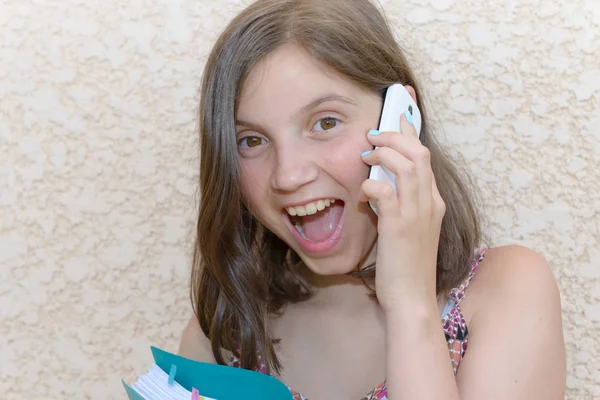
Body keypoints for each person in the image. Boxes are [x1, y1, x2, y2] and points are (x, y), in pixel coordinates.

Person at [178, 0, 566, 398]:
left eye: (326, 122)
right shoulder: (224, 338)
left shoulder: (508, 290)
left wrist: (410, 305)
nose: (289, 175)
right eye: (252, 141)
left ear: (402, 118)